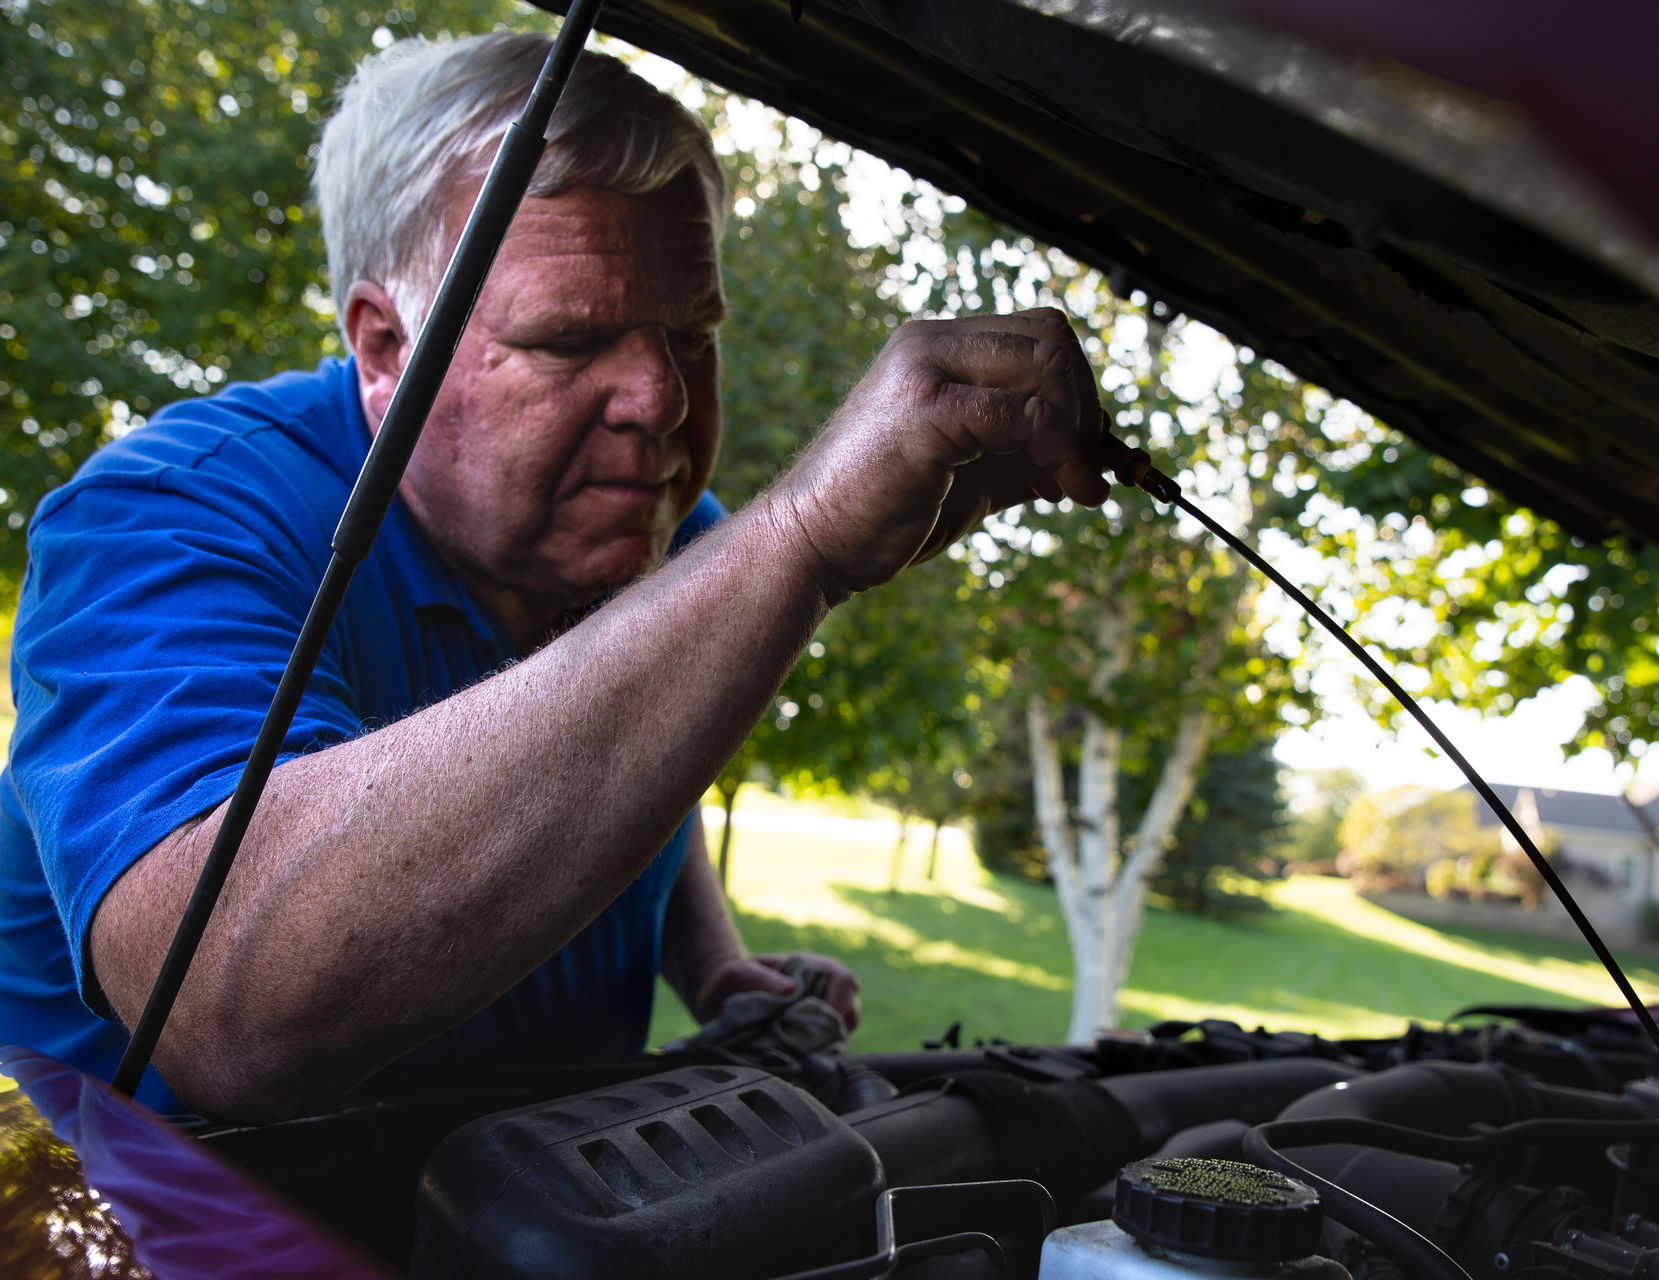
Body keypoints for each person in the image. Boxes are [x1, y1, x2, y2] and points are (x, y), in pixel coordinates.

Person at [0, 31, 1110, 1122]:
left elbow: (623, 746)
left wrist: (715, 965)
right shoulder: (165, 521)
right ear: (385, 347)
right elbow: (227, 1011)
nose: (662, 401)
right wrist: (799, 543)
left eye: (693, 332)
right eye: (572, 341)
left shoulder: (673, 532)